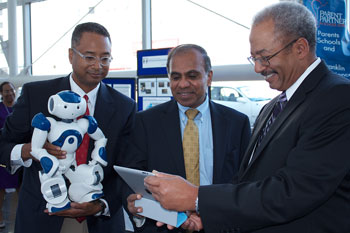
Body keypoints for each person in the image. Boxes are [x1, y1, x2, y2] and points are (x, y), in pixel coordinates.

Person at [143, 2, 350, 233]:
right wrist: (205, 214)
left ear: (300, 48)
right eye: (254, 59)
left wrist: (196, 197)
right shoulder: (271, 108)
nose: (258, 69)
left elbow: (293, 191)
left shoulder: (338, 99)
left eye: (265, 57)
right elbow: (248, 183)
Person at [0, 22, 136, 233]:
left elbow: (126, 168)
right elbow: (3, 145)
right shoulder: (36, 95)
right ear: (71, 55)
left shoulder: (124, 107)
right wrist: (27, 151)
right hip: (42, 218)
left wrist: (101, 205)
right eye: (89, 57)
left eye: (105, 58)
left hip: (100, 221)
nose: (98, 65)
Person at [125, 44, 251, 232]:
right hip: (164, 226)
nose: (183, 84)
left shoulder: (236, 123)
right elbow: (132, 179)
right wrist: (134, 205)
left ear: (209, 77)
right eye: (176, 77)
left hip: (220, 226)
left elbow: (245, 183)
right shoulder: (145, 122)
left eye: (192, 76)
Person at [0, 81, 19, 229]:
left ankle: (23, 215)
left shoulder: (20, 107)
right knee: (1, 188)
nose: (10, 93)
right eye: (6, 91)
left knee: (22, 186)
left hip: (19, 153)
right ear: (1, 94)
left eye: (11, 90)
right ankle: (0, 219)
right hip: (3, 153)